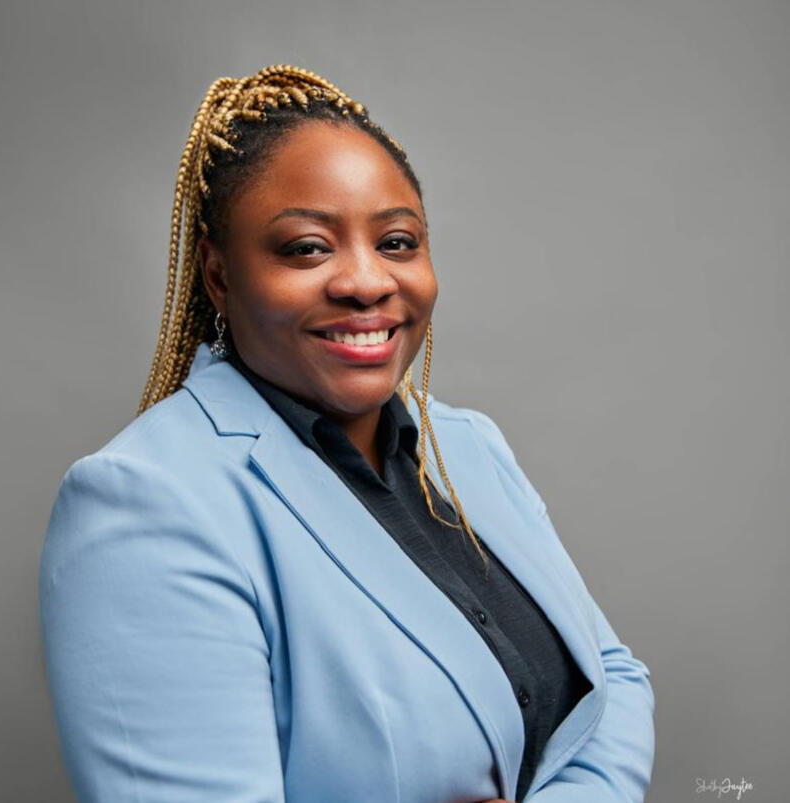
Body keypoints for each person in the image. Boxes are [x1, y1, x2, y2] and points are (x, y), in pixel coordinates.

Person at [38, 64, 655, 802]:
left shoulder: (468, 445)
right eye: (307, 247)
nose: (366, 281)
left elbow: (611, 681)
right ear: (219, 275)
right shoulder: (147, 505)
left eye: (396, 241)